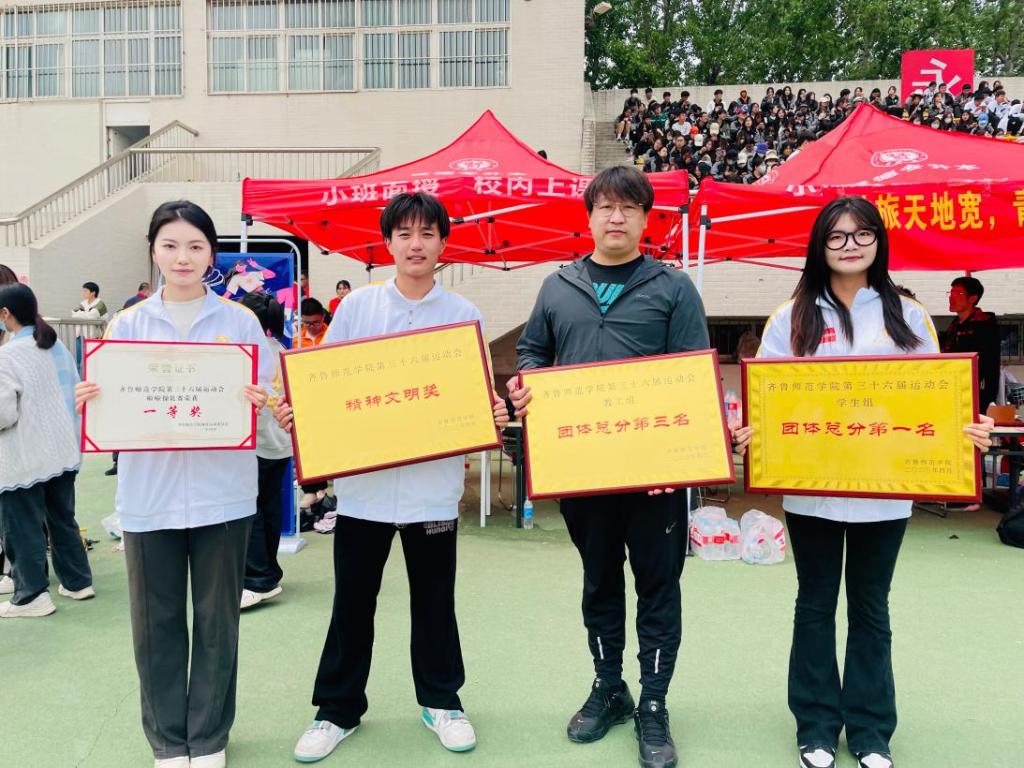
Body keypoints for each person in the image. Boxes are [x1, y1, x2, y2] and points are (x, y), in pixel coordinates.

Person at [508, 165, 738, 768]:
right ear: (589, 217)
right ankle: (609, 687)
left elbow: (692, 373)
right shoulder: (557, 286)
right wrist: (526, 383)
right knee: (599, 581)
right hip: (583, 470)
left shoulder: (673, 286)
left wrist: (678, 460)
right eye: (606, 207)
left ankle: (654, 704)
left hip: (655, 478)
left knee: (658, 586)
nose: (616, 217)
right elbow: (532, 353)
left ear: (645, 218)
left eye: (629, 208)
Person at [753, 196, 993, 768]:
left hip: (884, 494)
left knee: (870, 607)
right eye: (836, 236)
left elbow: (937, 397)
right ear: (820, 246)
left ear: (879, 242)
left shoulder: (908, 314)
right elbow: (765, 400)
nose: (850, 245)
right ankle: (815, 726)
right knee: (814, 604)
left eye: (862, 234)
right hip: (811, 489)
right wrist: (750, 435)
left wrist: (968, 429)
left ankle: (869, 730)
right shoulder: (791, 316)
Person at [273, 192, 509, 763]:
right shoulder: (357, 309)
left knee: (435, 601)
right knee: (353, 603)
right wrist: (300, 413)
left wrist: (493, 412)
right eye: (404, 234)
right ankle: (337, 710)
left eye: (427, 233)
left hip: (432, 490)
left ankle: (442, 702)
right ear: (387, 243)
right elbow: (326, 387)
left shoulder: (463, 314)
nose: (415, 244)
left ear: (443, 243)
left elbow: (475, 398)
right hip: (365, 491)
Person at [75, 200, 274, 768]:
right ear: (153, 251)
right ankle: (167, 740)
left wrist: (261, 400)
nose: (182, 257)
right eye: (170, 245)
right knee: (155, 624)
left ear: (212, 254)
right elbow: (110, 406)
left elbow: (265, 399)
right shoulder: (128, 324)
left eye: (195, 246)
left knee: (217, 623)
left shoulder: (239, 323)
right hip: (149, 498)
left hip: (223, 497)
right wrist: (91, 402)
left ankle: (208, 738)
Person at [0, 283, 93, 618]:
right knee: (62, 518)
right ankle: (78, 582)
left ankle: (31, 596)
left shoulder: (8, 355)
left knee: (22, 525)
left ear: (5, 314)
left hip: (25, 455)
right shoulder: (55, 346)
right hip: (62, 449)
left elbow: (4, 414)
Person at [237, 291, 291, 611]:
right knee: (269, 507)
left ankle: (258, 579)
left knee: (252, 509)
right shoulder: (281, 349)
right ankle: (269, 570)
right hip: (281, 443)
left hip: (257, 442)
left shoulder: (249, 352)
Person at [942, 276, 1002, 412]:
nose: (951, 297)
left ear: (973, 298)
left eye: (958, 293)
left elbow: (985, 362)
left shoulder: (984, 324)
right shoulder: (954, 325)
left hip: (977, 392)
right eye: (951, 293)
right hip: (952, 388)